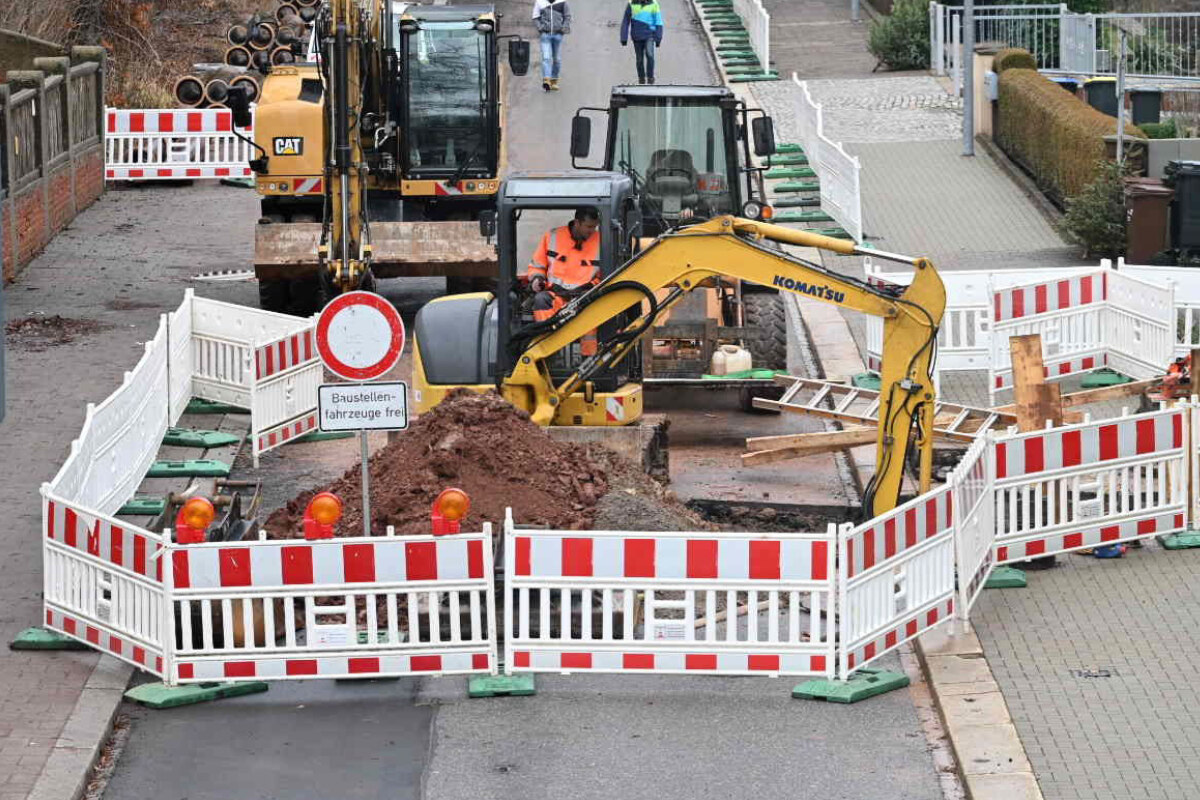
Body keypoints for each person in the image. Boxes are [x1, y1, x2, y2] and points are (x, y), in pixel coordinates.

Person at [527, 207, 602, 354]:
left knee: (594, 314)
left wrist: (593, 289)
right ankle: (547, 351)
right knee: (541, 300)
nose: (592, 231)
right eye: (588, 226)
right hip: (556, 295)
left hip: (585, 297)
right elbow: (537, 265)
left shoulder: (602, 241)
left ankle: (590, 360)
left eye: (595, 226)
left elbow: (606, 275)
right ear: (577, 223)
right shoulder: (552, 236)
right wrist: (537, 278)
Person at [620, 1, 664, 85]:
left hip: (649, 35)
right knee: (639, 60)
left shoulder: (654, 4)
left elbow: (658, 21)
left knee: (650, 55)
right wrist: (623, 37)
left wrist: (658, 37)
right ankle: (641, 79)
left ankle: (650, 78)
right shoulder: (631, 4)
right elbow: (626, 21)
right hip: (637, 37)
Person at [533, 0, 571, 91]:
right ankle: (546, 80)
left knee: (556, 58)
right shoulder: (540, 2)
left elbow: (567, 16)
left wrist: (563, 29)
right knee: (546, 57)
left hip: (558, 35)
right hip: (545, 35)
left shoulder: (562, 2)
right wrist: (540, 28)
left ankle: (554, 80)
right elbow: (535, 17)